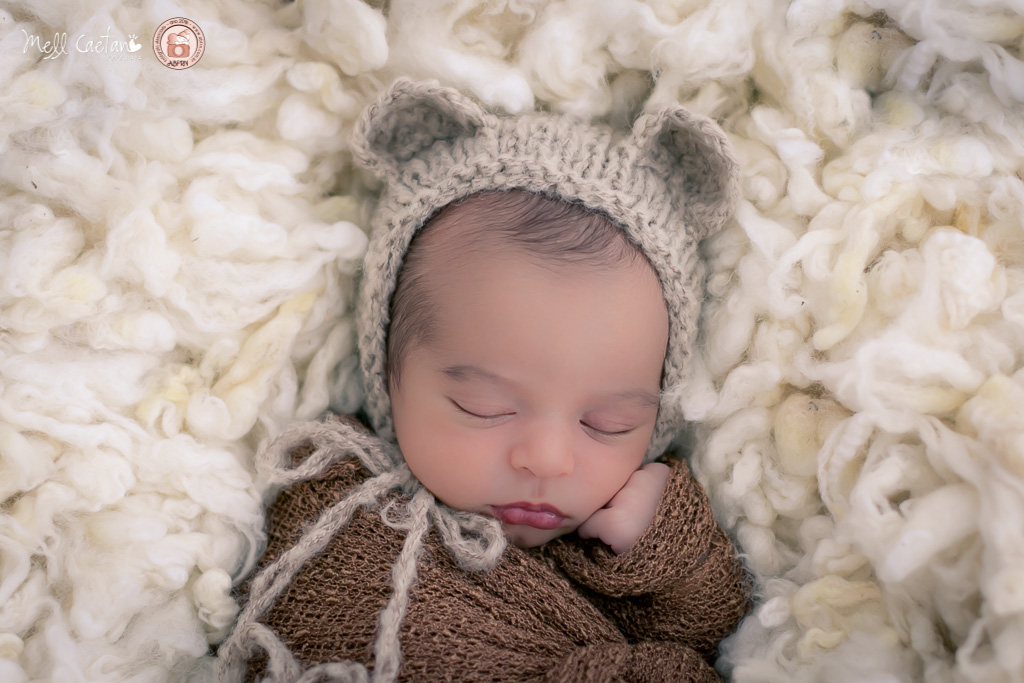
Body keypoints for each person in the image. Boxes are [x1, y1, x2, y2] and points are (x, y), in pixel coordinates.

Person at [217, 77, 750, 683]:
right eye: (483, 406)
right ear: (387, 374)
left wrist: (676, 556)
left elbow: (713, 626)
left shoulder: (629, 540)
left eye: (609, 423)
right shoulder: (342, 516)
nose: (547, 460)